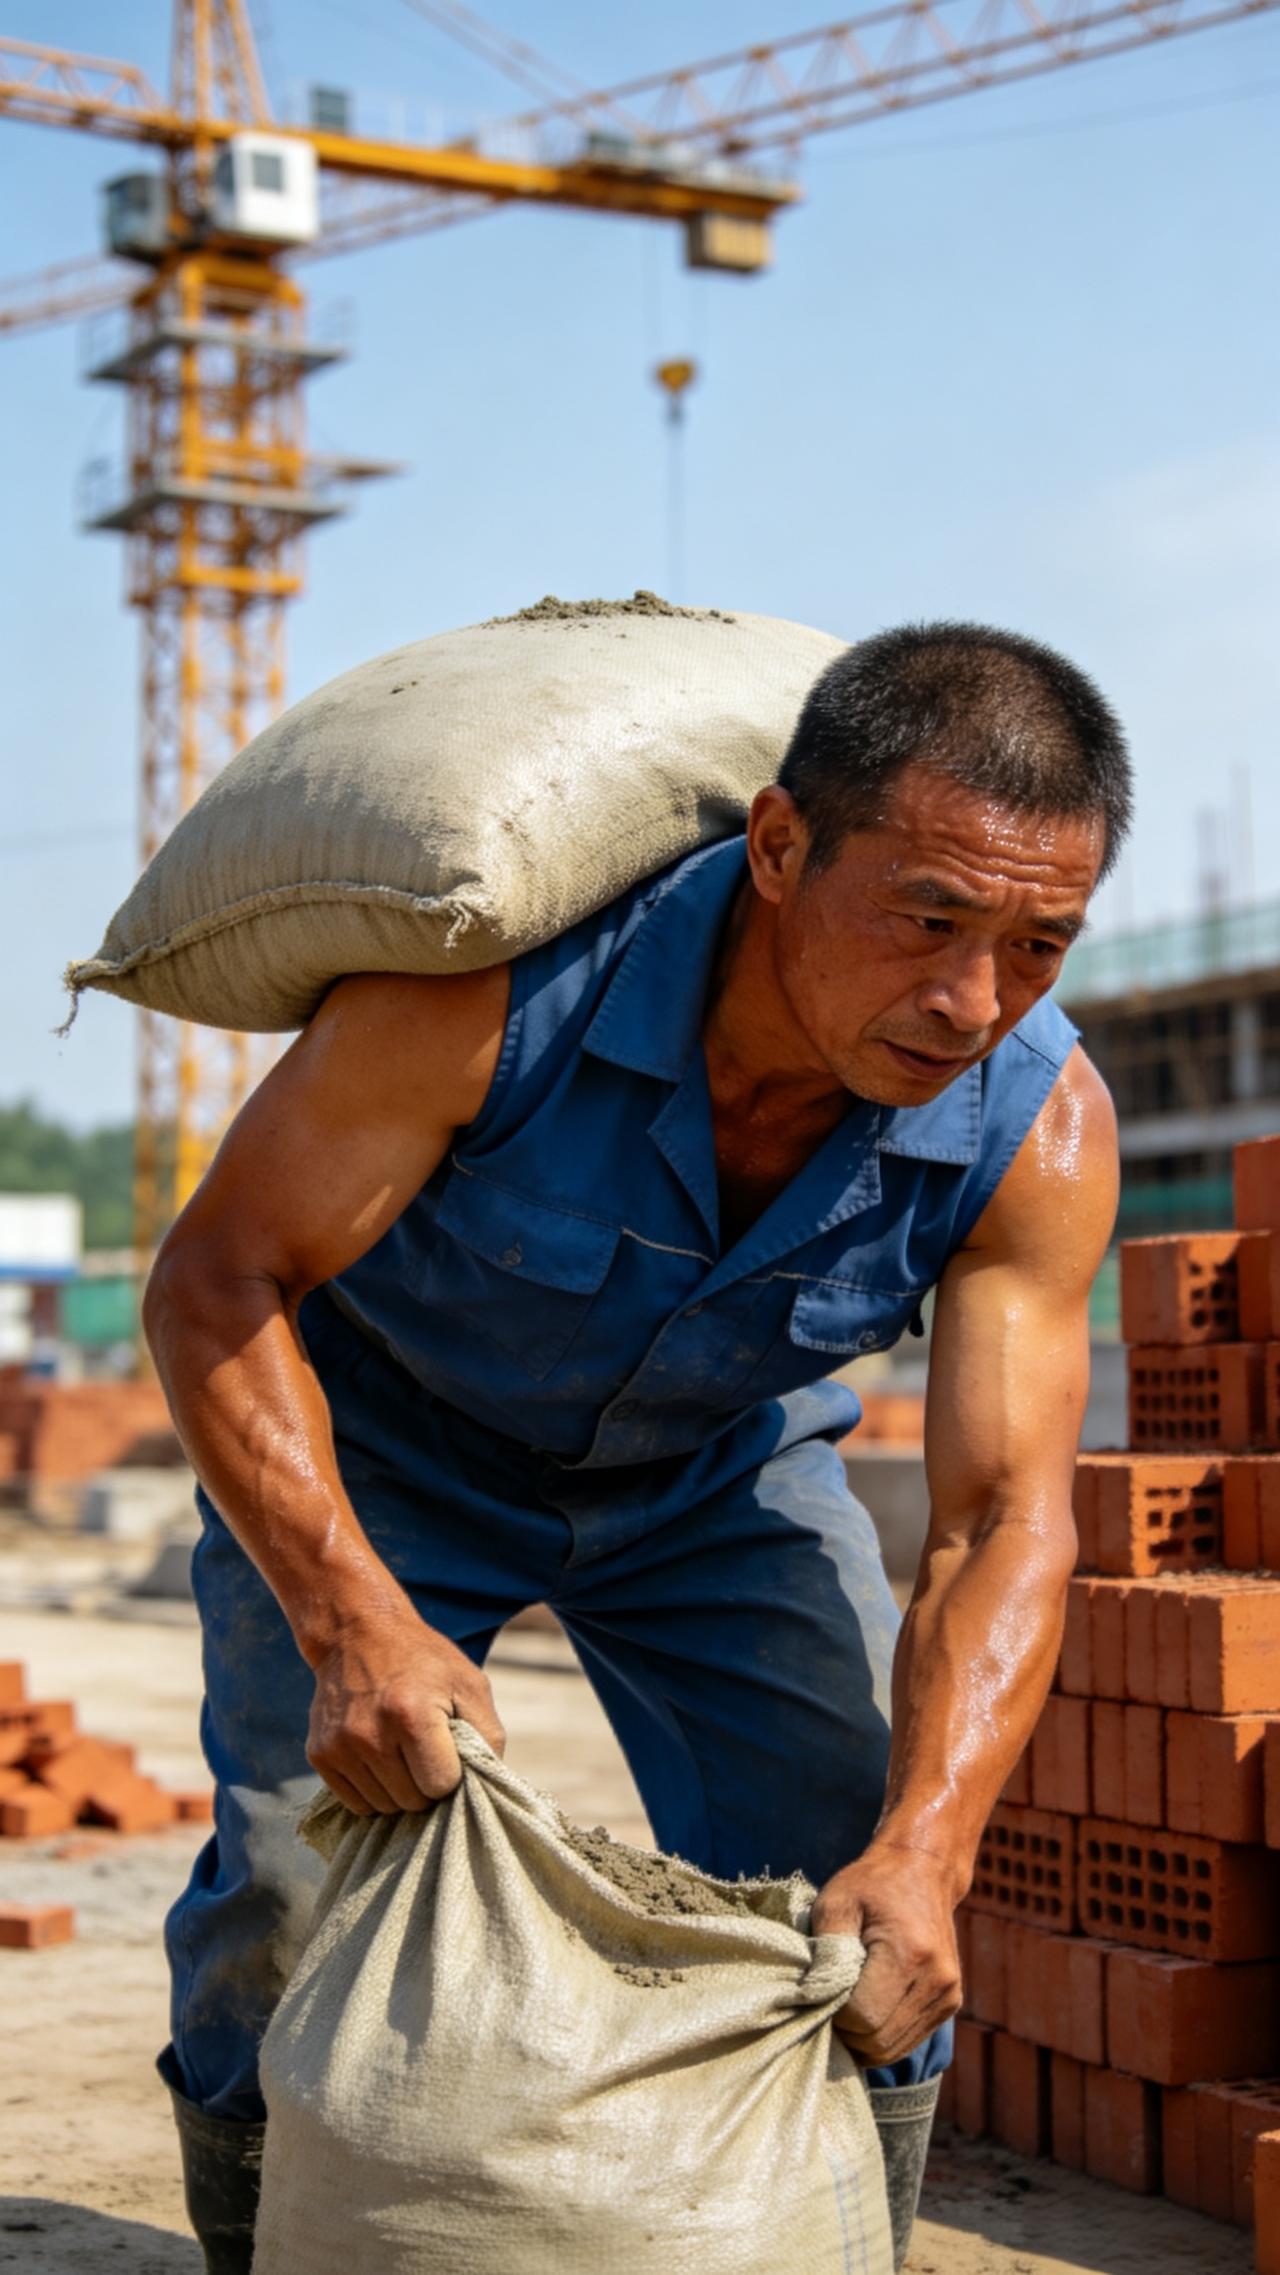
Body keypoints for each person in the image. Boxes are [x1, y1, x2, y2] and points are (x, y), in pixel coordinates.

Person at [145, 620, 1127, 2273]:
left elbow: (1004, 1515)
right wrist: (348, 1619)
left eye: (1039, 944)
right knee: (287, 1895)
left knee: (862, 1899)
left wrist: (931, 1846)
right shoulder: (482, 996)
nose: (973, 1000)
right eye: (930, 919)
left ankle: (852, 2238)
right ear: (780, 847)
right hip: (383, 1457)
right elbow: (215, 1282)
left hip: (717, 1480)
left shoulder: (1040, 1128)